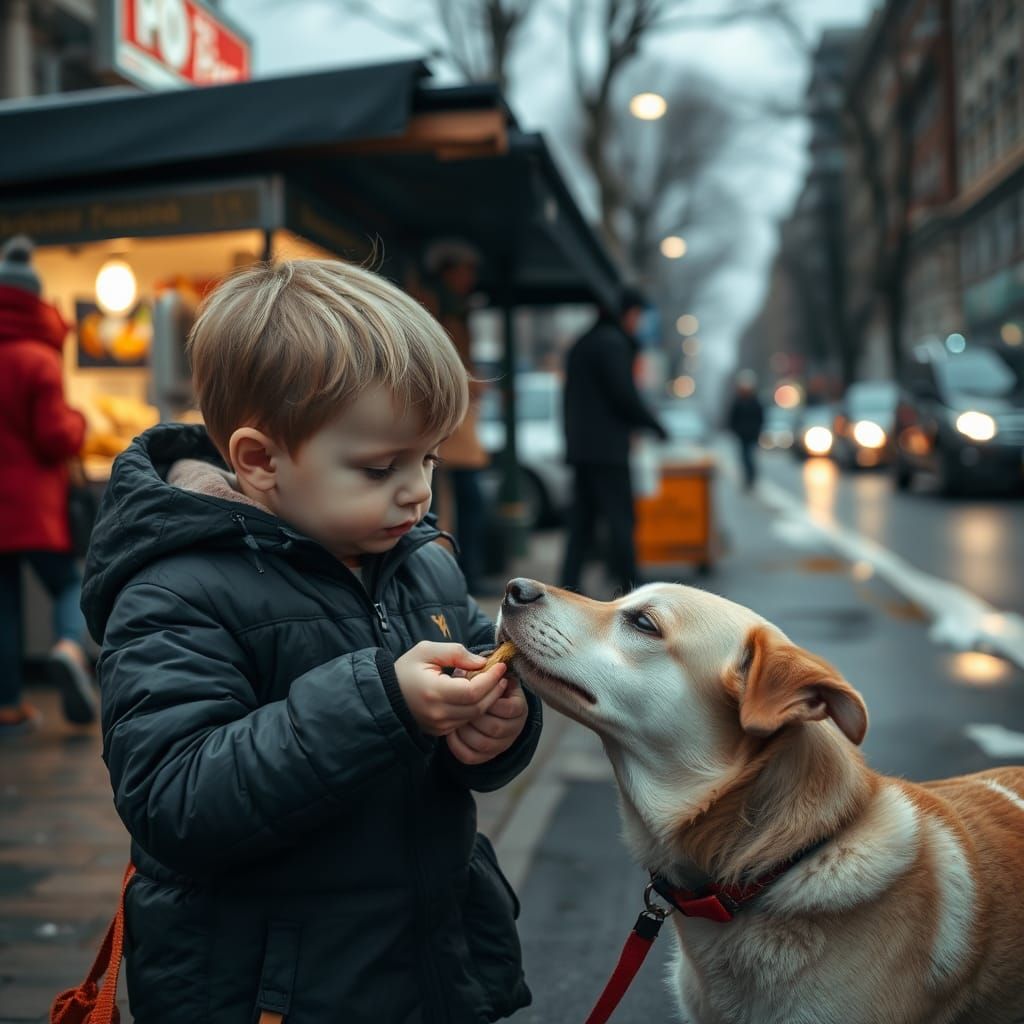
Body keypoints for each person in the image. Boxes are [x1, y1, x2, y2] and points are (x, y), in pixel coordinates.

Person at [79, 259, 541, 1023]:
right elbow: (175, 800)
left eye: (426, 457)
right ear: (260, 461)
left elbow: (471, 754)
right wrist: (383, 703)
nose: (418, 489)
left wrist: (501, 731)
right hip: (272, 989)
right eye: (379, 466)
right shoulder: (175, 589)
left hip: (426, 965)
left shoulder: (423, 565)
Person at [0, 235, 98, 736]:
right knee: (67, 582)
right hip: (33, 506)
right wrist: (80, 420)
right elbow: (55, 437)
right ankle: (67, 646)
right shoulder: (38, 359)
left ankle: (9, 705)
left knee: (5, 605)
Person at [560, 285, 667, 596]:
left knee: (582, 524)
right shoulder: (612, 344)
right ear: (627, 313)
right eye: (637, 316)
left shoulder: (582, 343)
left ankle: (568, 586)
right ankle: (634, 589)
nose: (638, 323)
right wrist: (654, 425)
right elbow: (624, 395)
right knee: (621, 520)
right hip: (607, 451)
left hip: (582, 450)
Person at [420, 238, 494, 594]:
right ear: (450, 271)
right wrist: (470, 383)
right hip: (444, 418)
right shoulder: (435, 305)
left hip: (455, 419)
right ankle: (456, 575)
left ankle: (463, 574)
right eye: (465, 271)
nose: (470, 279)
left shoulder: (456, 308)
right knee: (437, 498)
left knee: (455, 499)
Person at [726, 369, 765, 490]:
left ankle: (751, 477)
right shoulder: (738, 402)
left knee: (749, 456)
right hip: (742, 435)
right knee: (743, 457)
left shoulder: (755, 402)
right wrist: (735, 430)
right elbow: (732, 417)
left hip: (752, 434)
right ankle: (748, 478)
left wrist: (757, 431)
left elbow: (760, 417)